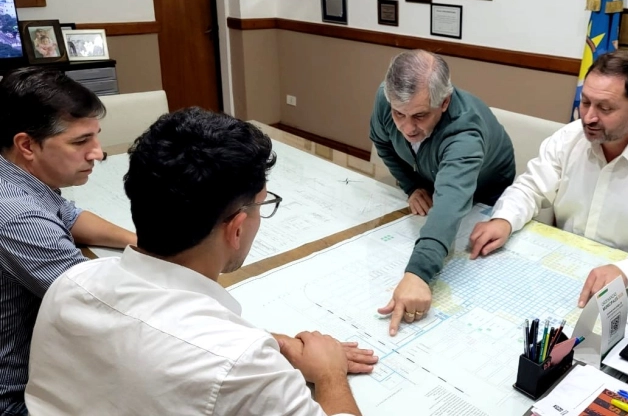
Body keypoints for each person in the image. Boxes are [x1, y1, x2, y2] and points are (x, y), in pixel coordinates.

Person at [26, 107, 377, 415]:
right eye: (262, 204)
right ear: (236, 228)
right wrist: (329, 374)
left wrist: (267, 341)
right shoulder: (241, 366)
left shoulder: (71, 282)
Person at [469, 50, 628, 307]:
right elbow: (530, 187)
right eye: (585, 102)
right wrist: (504, 219)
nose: (588, 118)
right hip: (563, 271)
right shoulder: (569, 138)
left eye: (605, 108)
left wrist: (627, 271)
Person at [0, 67, 136, 416]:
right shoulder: (17, 216)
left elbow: (68, 215)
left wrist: (140, 242)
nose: (98, 153)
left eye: (96, 137)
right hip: (17, 396)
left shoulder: (15, 175)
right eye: (80, 142)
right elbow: (101, 306)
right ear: (27, 145)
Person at [370, 49, 516, 336]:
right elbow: (382, 142)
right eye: (399, 114)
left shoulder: (465, 132)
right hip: (433, 177)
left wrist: (418, 273)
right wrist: (412, 186)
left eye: (419, 116)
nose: (407, 128)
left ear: (445, 102)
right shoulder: (386, 96)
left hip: (485, 196)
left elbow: (449, 204)